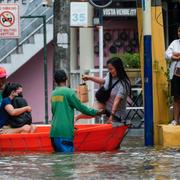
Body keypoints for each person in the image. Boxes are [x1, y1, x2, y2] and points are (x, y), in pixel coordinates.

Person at [50, 70, 103, 153]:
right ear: (66, 78)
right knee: (67, 161)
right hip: (65, 132)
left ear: (55, 81)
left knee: (58, 162)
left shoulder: (53, 93)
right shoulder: (69, 92)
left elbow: (54, 112)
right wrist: (96, 112)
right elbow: (81, 107)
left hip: (53, 132)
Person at [80, 57, 131, 124]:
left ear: (118, 68)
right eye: (108, 69)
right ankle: (76, 117)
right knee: (92, 111)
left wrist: (111, 117)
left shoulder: (124, 83)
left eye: (111, 69)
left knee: (111, 133)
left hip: (116, 116)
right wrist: (89, 78)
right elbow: (103, 81)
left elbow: (117, 101)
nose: (109, 71)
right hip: (105, 107)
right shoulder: (110, 75)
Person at [165, 25, 180, 125]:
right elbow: (167, 55)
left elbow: (173, 55)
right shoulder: (174, 42)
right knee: (176, 97)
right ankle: (175, 120)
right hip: (176, 74)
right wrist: (174, 57)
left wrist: (176, 54)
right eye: (179, 31)